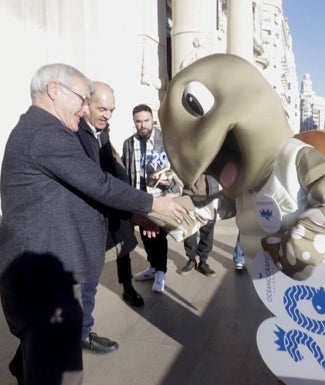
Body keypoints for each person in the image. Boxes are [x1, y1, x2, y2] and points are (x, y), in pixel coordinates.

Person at [0, 63, 186, 385]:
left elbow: (77, 194)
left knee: (43, 361)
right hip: (43, 284)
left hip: (44, 276)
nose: (85, 110)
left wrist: (135, 215)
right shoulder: (46, 132)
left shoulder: (47, 129)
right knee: (61, 374)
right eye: (82, 100)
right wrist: (153, 204)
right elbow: (98, 184)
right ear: (54, 91)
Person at [75, 81, 142, 357]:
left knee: (118, 251)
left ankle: (126, 286)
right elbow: (95, 180)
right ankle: (80, 334)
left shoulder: (101, 131)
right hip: (86, 218)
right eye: (102, 108)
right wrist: (146, 204)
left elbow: (112, 169)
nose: (107, 115)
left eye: (112, 110)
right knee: (85, 281)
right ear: (86, 104)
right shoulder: (74, 132)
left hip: (108, 211)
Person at [123, 104, 182, 293]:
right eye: (138, 121)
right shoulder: (129, 143)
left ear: (153, 120)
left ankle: (161, 272)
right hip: (139, 199)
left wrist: (171, 183)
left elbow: (178, 168)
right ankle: (152, 267)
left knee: (158, 236)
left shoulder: (165, 140)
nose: (143, 125)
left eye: (146, 120)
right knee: (146, 235)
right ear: (134, 123)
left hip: (161, 198)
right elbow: (126, 169)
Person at [179, 174, 219, 277]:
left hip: (210, 196)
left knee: (208, 232)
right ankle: (191, 260)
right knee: (189, 232)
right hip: (188, 195)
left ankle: (203, 262)